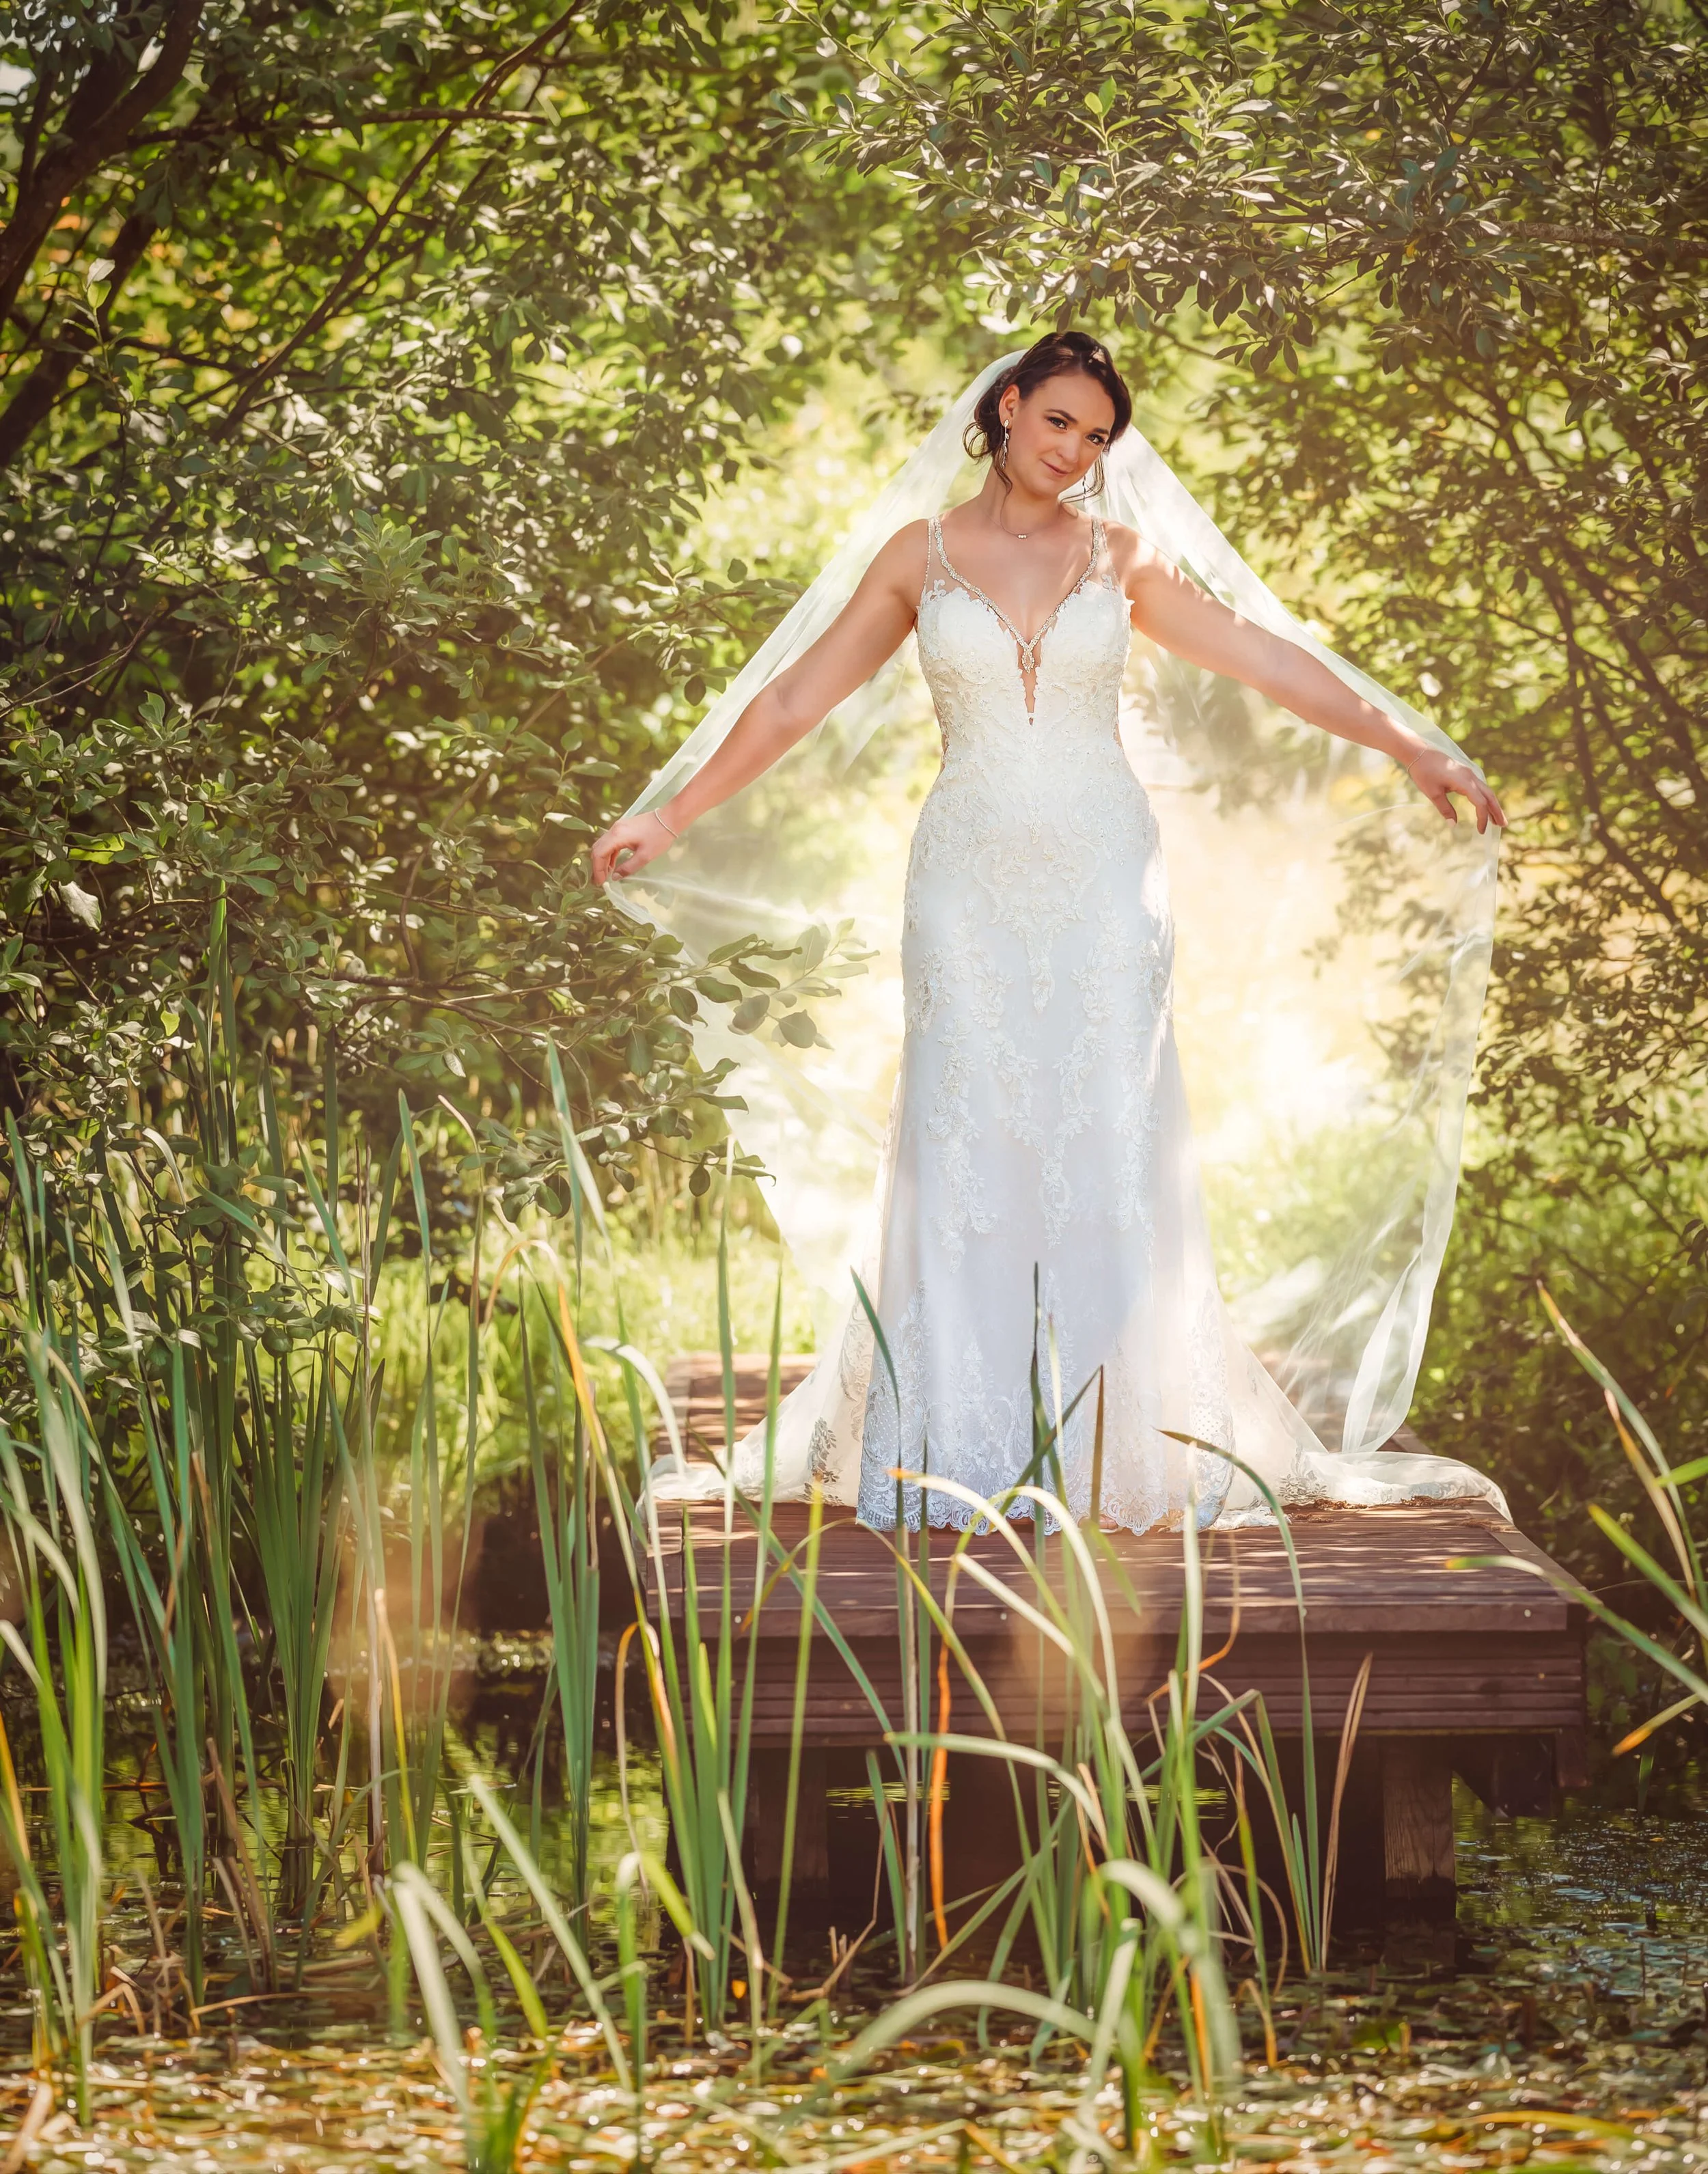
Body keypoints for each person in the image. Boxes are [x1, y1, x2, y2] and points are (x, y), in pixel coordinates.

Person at [592, 332, 1507, 1532]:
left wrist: (1409, 744)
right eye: (1060, 422)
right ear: (1009, 407)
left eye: (1097, 437)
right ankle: (951, 1444)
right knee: (966, 1133)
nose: (1075, 453)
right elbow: (794, 699)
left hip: (1106, 884)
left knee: (1105, 1131)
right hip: (963, 883)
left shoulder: (1121, 558)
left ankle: (1116, 1452)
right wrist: (672, 810)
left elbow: (1267, 659)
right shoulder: (916, 561)